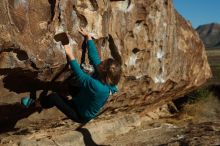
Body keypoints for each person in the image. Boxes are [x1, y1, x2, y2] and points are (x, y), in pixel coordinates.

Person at [21, 28, 122, 123]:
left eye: (102, 64)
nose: (100, 63)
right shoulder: (106, 77)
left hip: (80, 114)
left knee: (54, 97)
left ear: (103, 71)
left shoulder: (99, 87)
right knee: (72, 83)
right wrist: (88, 37)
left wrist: (70, 54)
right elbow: (94, 57)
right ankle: (69, 98)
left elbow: (81, 75)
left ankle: (36, 104)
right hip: (83, 98)